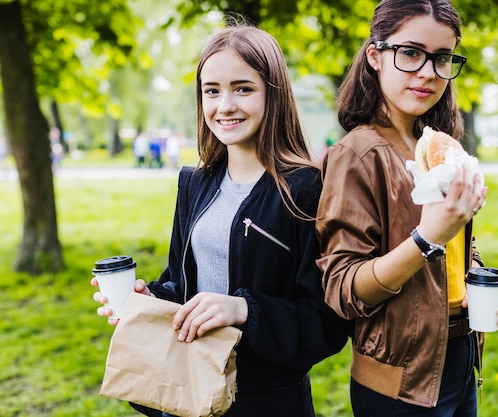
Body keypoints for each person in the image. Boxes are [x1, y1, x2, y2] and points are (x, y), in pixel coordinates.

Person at [92, 24, 348, 417]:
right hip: (189, 387)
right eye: (212, 90)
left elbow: (326, 325)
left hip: (267, 402)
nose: (224, 105)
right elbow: (183, 284)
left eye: (242, 88)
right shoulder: (195, 184)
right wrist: (151, 300)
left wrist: (244, 310)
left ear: (273, 93)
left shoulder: (305, 190)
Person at [315, 1, 498, 416]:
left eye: (442, 58)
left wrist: (484, 283)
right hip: (397, 382)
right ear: (375, 55)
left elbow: (457, 247)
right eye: (410, 53)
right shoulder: (358, 153)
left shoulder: (440, 145)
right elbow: (343, 288)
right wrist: (427, 238)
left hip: (460, 359)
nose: (427, 72)